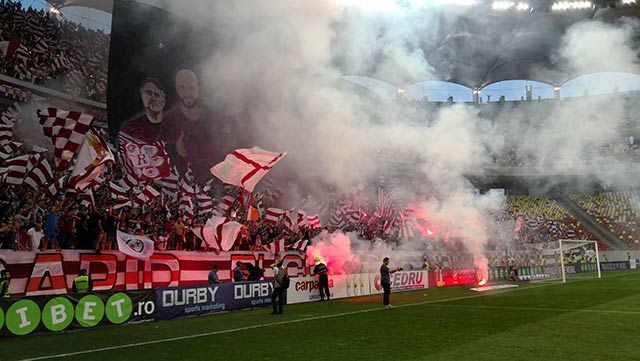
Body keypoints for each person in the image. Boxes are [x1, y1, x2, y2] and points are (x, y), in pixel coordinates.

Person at [161, 69, 235, 180]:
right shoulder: (169, 119)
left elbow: (230, 147)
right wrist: (175, 149)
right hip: (183, 187)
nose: (187, 93)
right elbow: (157, 153)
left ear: (198, 89)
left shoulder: (214, 117)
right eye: (182, 88)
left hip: (216, 183)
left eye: (191, 88)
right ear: (177, 89)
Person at [119, 78, 167, 143]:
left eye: (157, 94)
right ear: (142, 97)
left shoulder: (172, 126)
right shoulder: (130, 128)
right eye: (148, 93)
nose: (153, 98)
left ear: (163, 101)